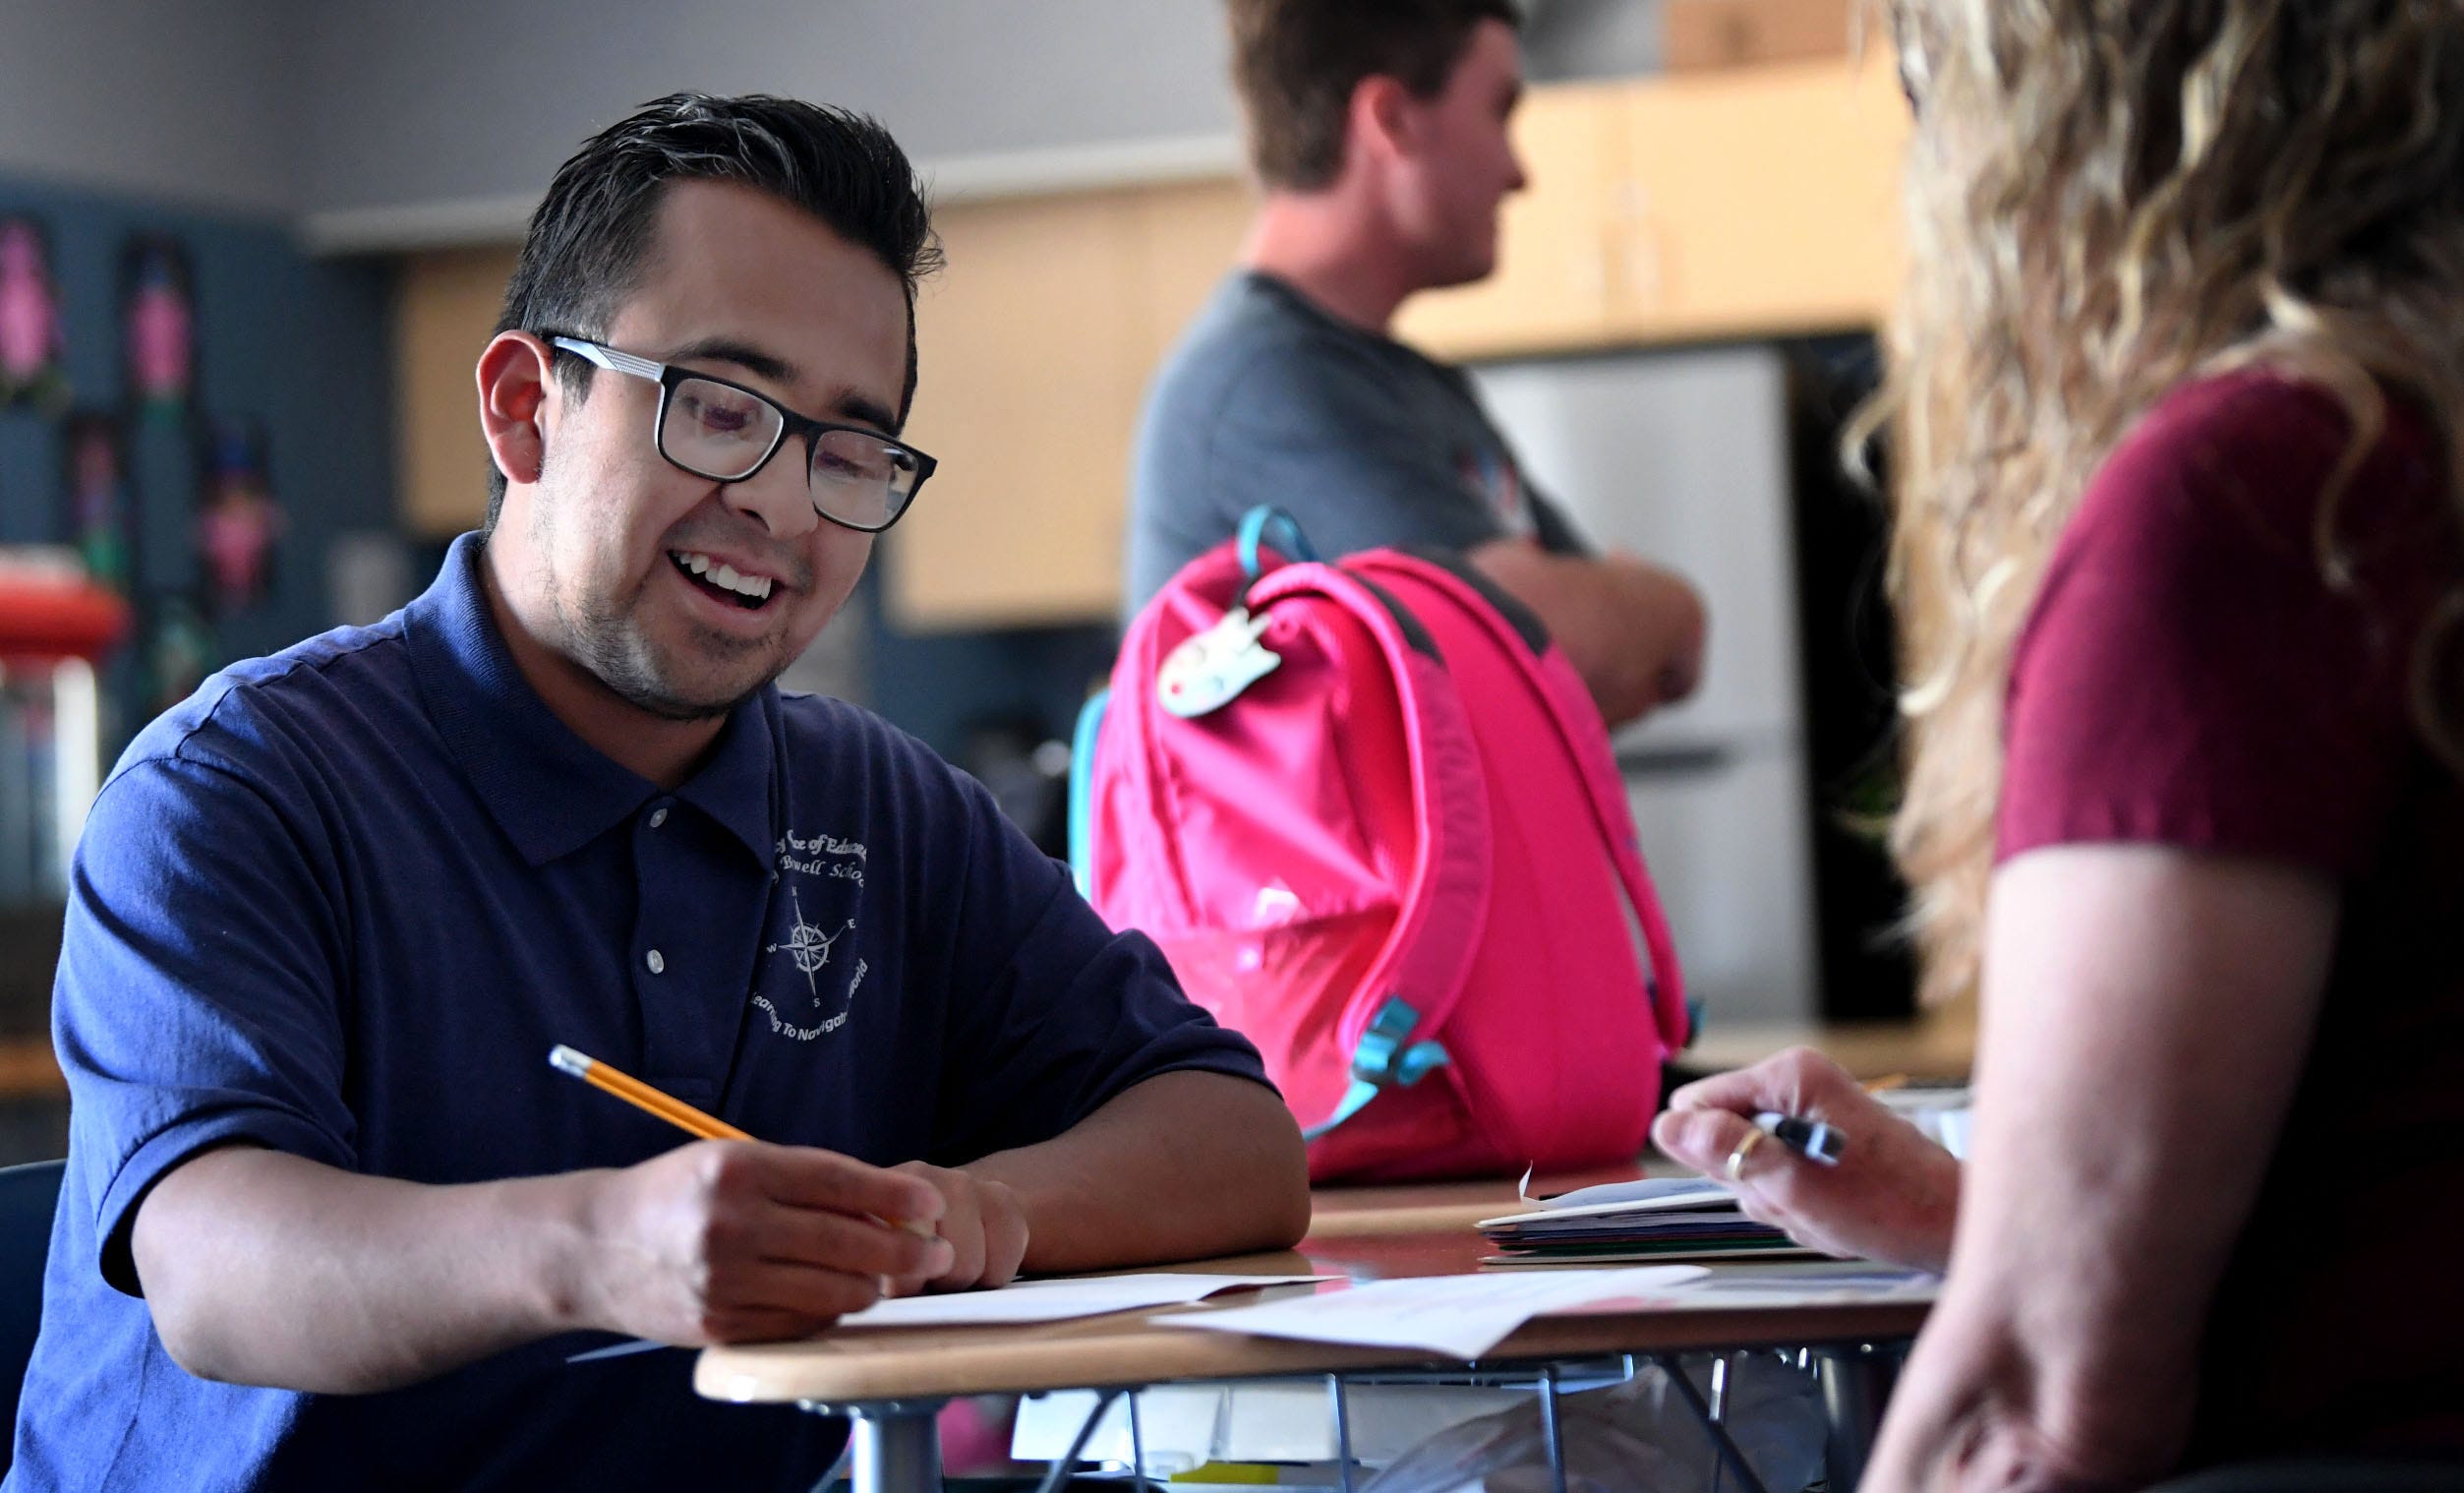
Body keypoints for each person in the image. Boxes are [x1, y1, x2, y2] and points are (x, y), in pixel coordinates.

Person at [8, 94, 1311, 1492]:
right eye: (720, 409)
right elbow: (212, 1270)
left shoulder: (876, 810)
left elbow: (1234, 1137)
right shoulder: (240, 788)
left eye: (848, 449)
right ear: (525, 409)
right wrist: (601, 1248)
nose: (789, 505)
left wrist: (962, 1211)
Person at [1654, 2, 2464, 1486]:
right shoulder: (2417, 448)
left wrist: (2017, 1277)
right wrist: (1974, 1212)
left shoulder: (2243, 504)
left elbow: (2042, 1408)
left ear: (2055, 130)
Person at [1125, 0, 1706, 729]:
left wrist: (1610, 616)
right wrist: (1666, 601)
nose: (1517, 172)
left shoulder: (1411, 385)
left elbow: (1621, 675)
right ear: (1391, 121)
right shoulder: (1265, 383)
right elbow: (1562, 648)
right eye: (1499, 111)